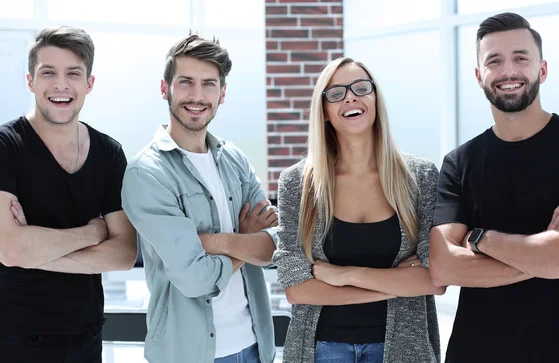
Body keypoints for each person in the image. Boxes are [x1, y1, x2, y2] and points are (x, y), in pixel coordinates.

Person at [430, 12, 559, 363]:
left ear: (543, 69)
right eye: (494, 61)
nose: (508, 71)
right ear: (479, 76)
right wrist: (547, 254)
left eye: (521, 58)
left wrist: (480, 239)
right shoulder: (459, 163)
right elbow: (443, 267)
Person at [273, 57, 445, 363]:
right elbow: (297, 289)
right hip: (321, 350)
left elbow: (434, 278)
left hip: (402, 351)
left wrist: (343, 275)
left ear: (375, 98)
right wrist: (393, 285)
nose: (351, 96)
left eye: (361, 88)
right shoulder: (298, 184)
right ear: (324, 112)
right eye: (336, 93)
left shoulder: (420, 177)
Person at [121, 34, 278, 363]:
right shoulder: (146, 173)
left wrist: (210, 242)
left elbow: (274, 246)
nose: (197, 95)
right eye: (185, 82)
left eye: (208, 84)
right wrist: (245, 239)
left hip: (255, 348)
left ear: (222, 94)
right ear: (165, 89)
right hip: (189, 355)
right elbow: (195, 280)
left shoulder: (234, 159)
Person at [0, 26, 138, 363]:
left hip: (86, 339)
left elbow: (123, 254)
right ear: (30, 80)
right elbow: (10, 247)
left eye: (73, 73)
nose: (61, 84)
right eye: (48, 72)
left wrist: (35, 254)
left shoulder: (109, 154)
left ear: (89, 84)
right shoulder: (7, 147)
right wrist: (93, 232)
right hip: (13, 339)